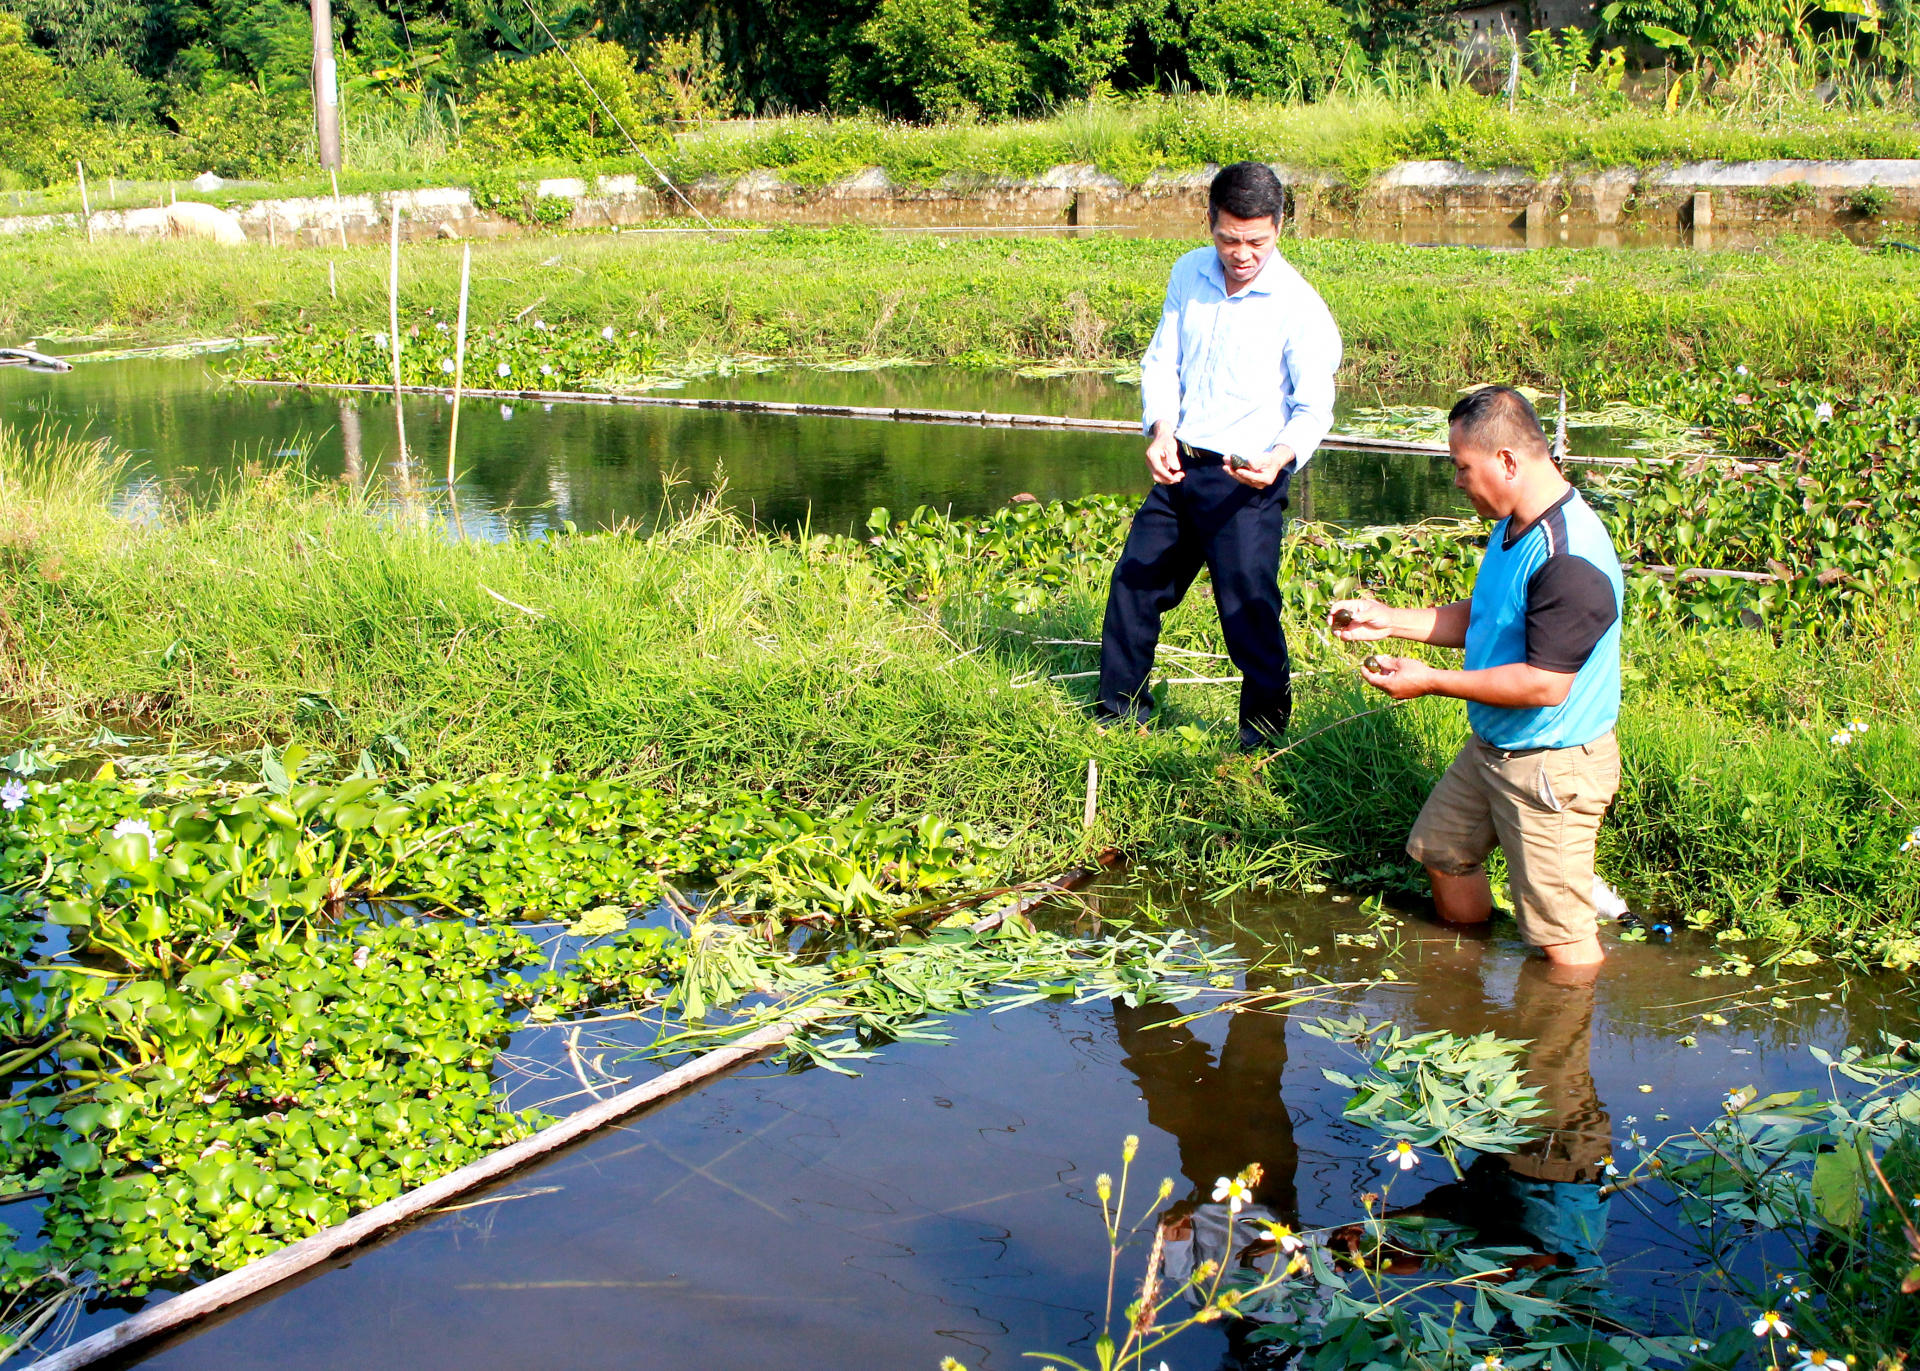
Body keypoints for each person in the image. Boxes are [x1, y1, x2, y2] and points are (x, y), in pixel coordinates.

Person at [1331, 386, 1624, 966]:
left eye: (1463, 468)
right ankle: (1464, 984)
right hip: (1497, 746)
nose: (1459, 482)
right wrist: (1390, 621)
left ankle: (1562, 1044)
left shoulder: (1569, 558)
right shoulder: (1515, 523)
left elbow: (1546, 684)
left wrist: (1431, 680)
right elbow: (1489, 617)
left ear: (1508, 461)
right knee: (1442, 849)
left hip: (1550, 765)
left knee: (1561, 936)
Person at [1097, 161, 1342, 750]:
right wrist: (1160, 430)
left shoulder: (1299, 307)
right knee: (1135, 584)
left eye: (1257, 241)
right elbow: (1162, 363)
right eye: (1230, 238)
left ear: (1280, 227)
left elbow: (1313, 410)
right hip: (1180, 464)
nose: (1242, 253)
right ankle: (1118, 716)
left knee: (1248, 613)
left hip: (1247, 482)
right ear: (1209, 223)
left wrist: (1279, 457)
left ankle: (1264, 740)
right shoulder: (1188, 274)